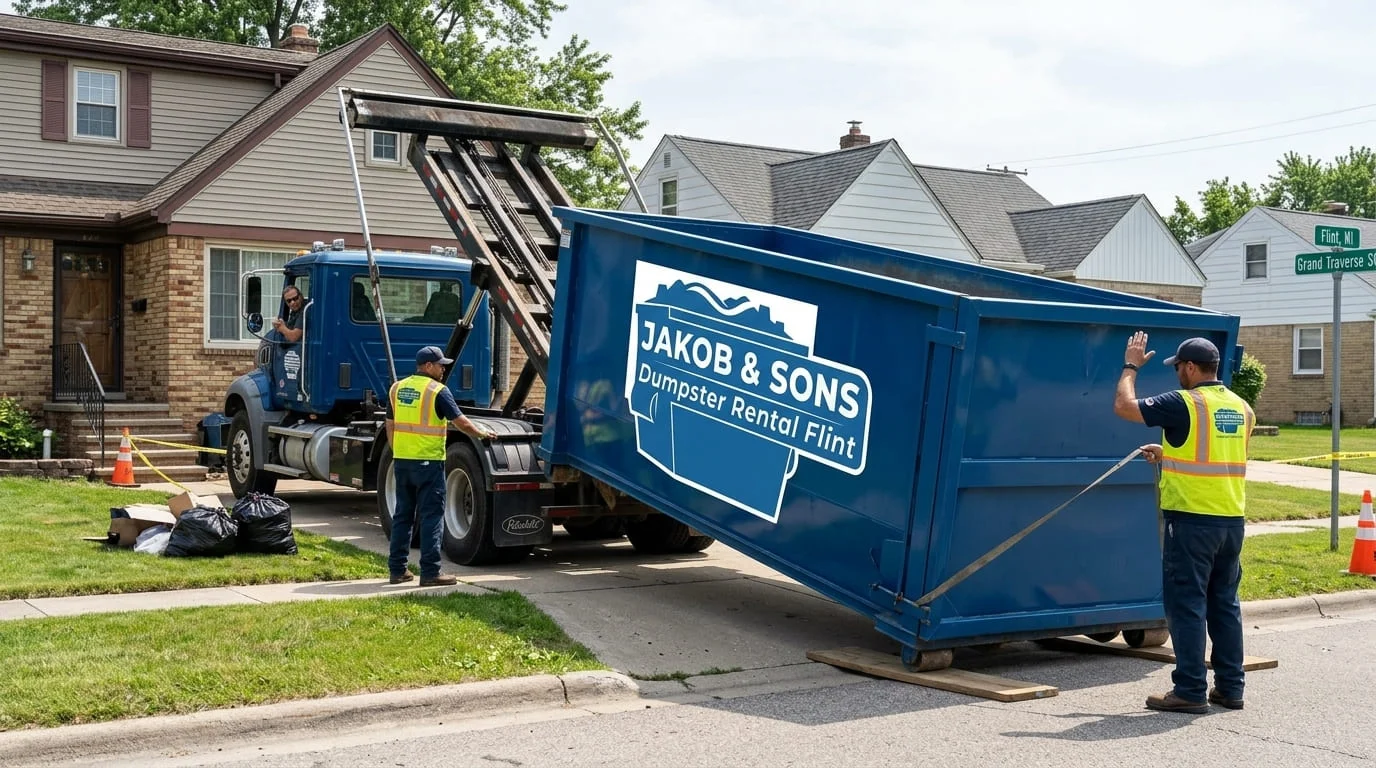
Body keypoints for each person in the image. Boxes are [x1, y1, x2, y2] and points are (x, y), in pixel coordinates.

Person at [1114, 332, 1255, 714]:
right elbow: (1217, 454)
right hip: (1231, 521)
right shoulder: (1242, 407)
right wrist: (1169, 453)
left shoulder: (1184, 403)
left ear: (1191, 367)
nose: (1177, 372)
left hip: (1192, 522)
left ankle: (1190, 690)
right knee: (1224, 604)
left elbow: (1124, 407)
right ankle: (1230, 688)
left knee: (1187, 604)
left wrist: (1130, 366)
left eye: (1178, 366)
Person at [386, 345, 497, 586]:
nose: (443, 369)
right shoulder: (437, 391)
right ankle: (430, 572)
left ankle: (397, 570)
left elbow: (390, 424)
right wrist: (482, 433)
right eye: (440, 365)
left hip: (402, 462)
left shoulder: (397, 388)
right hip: (429, 464)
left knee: (403, 515)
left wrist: (398, 451)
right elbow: (461, 422)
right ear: (428, 366)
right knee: (431, 516)